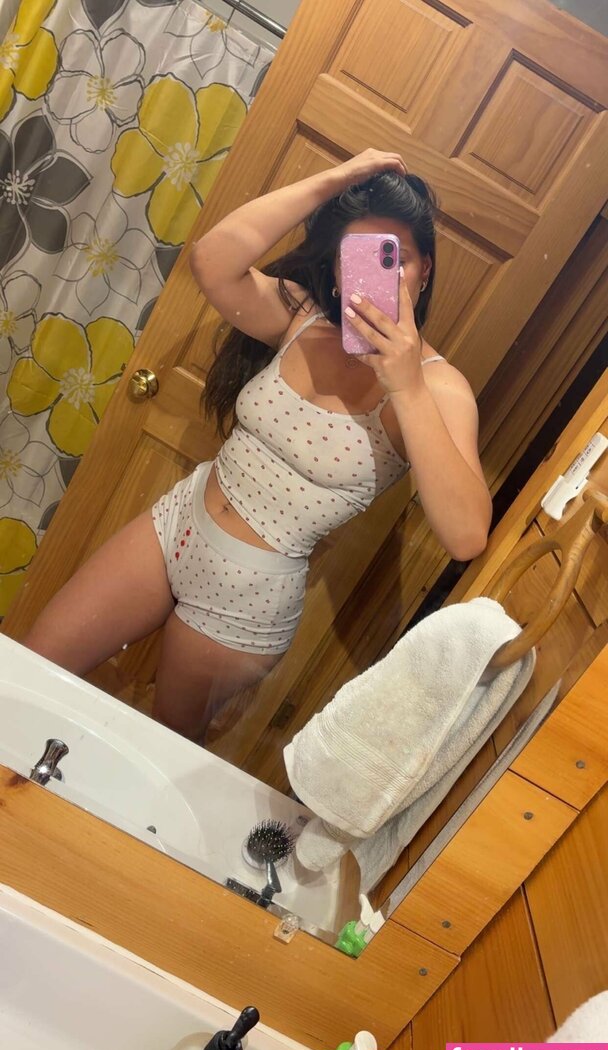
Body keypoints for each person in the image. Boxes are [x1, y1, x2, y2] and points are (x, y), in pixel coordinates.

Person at [22, 149, 492, 742]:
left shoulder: (439, 388)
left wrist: (406, 386)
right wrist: (335, 178)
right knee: (30, 667)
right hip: (176, 523)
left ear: (423, 270)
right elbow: (213, 260)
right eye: (356, 254)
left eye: (394, 257)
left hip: (246, 599)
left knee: (157, 745)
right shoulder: (302, 318)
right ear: (338, 265)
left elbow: (466, 535)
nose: (375, 273)